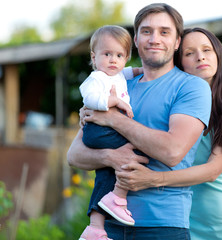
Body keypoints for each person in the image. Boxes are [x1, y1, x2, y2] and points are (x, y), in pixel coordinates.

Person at [67, 3, 212, 240]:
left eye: (164, 32)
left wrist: (113, 119)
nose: (154, 38)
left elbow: (173, 151)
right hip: (108, 226)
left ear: (176, 42)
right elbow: (74, 155)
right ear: (135, 40)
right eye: (146, 31)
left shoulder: (191, 87)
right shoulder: (115, 86)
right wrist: (110, 156)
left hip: (162, 225)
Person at [116, 28, 222, 240]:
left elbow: (212, 171)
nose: (200, 56)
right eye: (189, 53)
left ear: (218, 55)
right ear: (179, 63)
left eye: (207, 50)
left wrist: (153, 179)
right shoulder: (172, 109)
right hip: (193, 224)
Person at [78, 25, 146, 239]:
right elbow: (90, 98)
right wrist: (114, 101)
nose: (113, 60)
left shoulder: (118, 75)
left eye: (119, 55)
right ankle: (117, 197)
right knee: (141, 146)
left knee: (106, 174)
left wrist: (142, 71)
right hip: (98, 131)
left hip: (105, 131)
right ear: (94, 57)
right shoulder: (96, 78)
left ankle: (95, 229)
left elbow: (129, 72)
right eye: (107, 54)